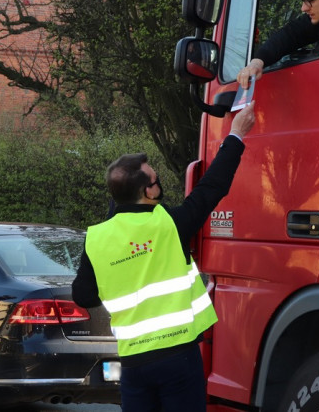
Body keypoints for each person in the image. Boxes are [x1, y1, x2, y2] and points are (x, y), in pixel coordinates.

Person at [72, 103, 256, 411]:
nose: (160, 184)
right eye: (155, 181)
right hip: (178, 358)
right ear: (147, 193)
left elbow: (84, 295)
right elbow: (213, 186)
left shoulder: (97, 238)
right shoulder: (170, 223)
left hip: (133, 364)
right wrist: (236, 134)